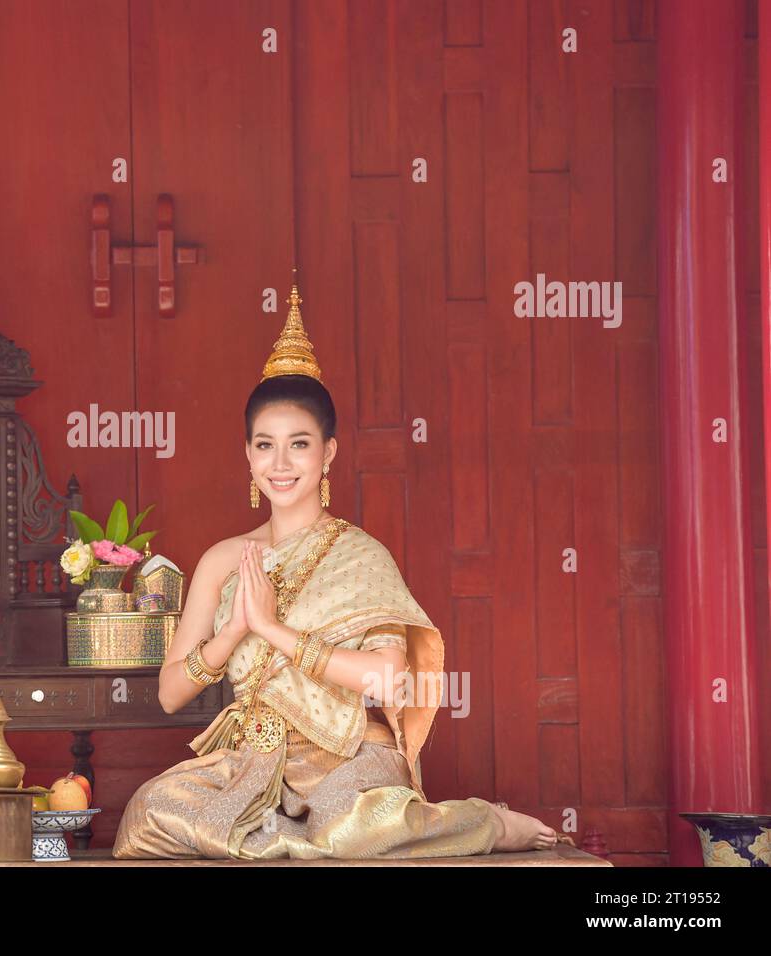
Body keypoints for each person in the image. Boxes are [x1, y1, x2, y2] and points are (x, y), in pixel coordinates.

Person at [111, 282, 560, 860]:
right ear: (247, 455)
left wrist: (274, 630)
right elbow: (171, 693)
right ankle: (289, 839)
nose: (280, 463)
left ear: (327, 453)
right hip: (252, 764)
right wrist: (231, 632)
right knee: (148, 815)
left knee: (356, 836)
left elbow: (387, 681)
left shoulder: (360, 554)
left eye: (298, 444)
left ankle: (486, 824)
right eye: (265, 445)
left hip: (346, 757)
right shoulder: (224, 560)